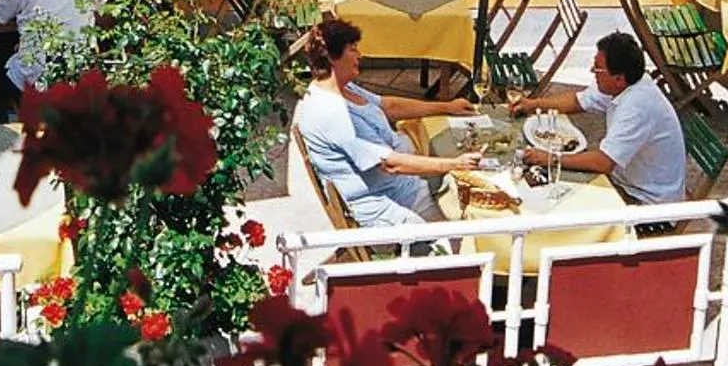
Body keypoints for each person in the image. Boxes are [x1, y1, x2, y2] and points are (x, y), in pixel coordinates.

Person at [292, 17, 479, 230]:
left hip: (402, 183)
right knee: (468, 222)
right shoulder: (334, 115)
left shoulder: (340, 88)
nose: (359, 55)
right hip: (386, 203)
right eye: (353, 50)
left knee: (456, 156)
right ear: (333, 58)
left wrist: (447, 106)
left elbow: (389, 107)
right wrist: (455, 164)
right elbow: (391, 164)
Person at [518, 31, 688, 206]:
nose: (592, 71)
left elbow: (603, 162)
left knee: (554, 200)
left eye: (598, 68)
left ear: (619, 79)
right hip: (623, 181)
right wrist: (533, 104)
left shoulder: (638, 105)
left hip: (645, 200)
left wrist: (551, 158)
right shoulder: (628, 81)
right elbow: (578, 101)